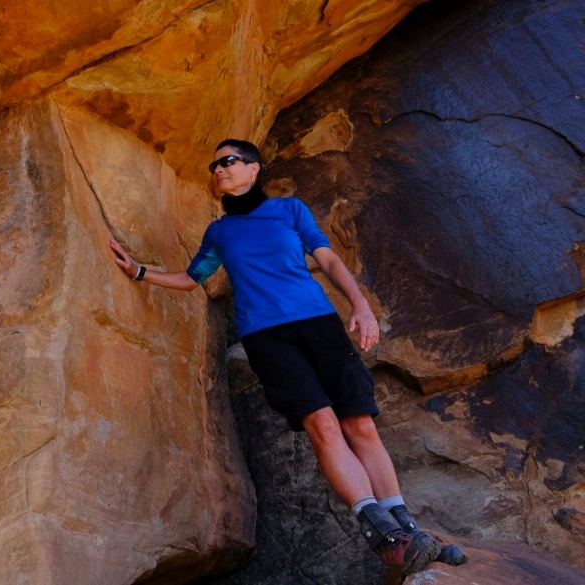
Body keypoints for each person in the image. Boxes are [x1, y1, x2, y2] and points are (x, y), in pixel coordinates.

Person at [108, 139, 466, 576]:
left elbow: (328, 259)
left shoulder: (290, 210)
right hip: (265, 336)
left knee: (360, 424)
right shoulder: (220, 232)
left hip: (319, 324)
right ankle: (382, 534)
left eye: (228, 162)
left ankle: (407, 529)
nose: (218, 170)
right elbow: (191, 278)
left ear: (254, 168)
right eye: (214, 165)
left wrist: (361, 304)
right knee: (322, 423)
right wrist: (140, 271)